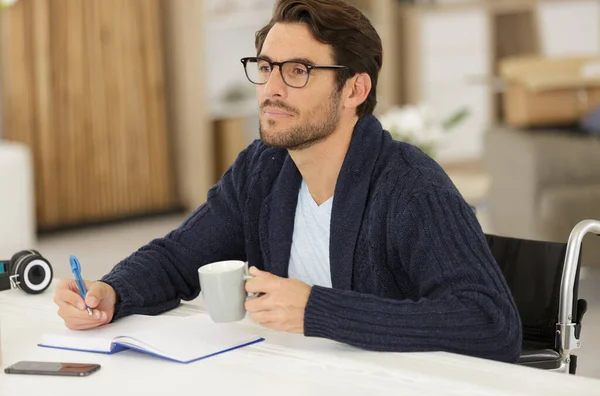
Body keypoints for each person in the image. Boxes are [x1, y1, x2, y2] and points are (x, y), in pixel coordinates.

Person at [54, 0, 522, 363]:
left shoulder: (410, 187)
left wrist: (318, 311)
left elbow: (490, 323)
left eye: (297, 71)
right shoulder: (263, 168)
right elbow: (178, 257)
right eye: (265, 67)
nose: (271, 89)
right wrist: (112, 291)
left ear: (354, 90)